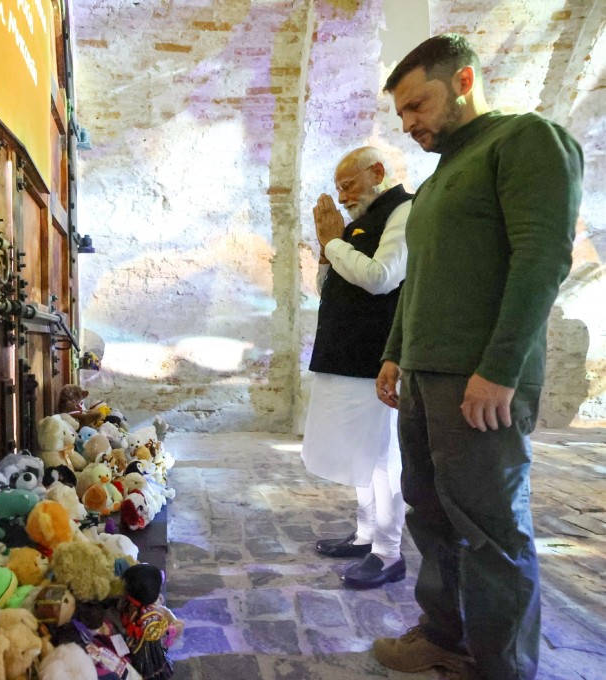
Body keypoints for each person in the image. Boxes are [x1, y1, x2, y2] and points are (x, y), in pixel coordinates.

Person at [373, 34, 583, 680]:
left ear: (463, 81)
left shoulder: (525, 141)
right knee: (430, 512)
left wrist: (499, 370)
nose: (409, 124)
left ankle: (504, 668)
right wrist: (393, 353)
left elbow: (541, 261)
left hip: (482, 380)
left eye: (418, 105)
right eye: (402, 114)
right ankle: (444, 634)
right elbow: (421, 281)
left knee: (491, 529)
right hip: (425, 380)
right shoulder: (436, 185)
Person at [302, 146, 411, 589]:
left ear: (377, 173)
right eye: (339, 187)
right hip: (348, 354)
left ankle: (388, 553)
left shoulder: (403, 212)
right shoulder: (358, 223)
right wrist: (328, 254)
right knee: (361, 451)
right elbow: (331, 287)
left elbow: (383, 276)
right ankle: (367, 534)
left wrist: (333, 242)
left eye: (348, 184)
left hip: (378, 356)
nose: (343, 196)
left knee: (384, 456)